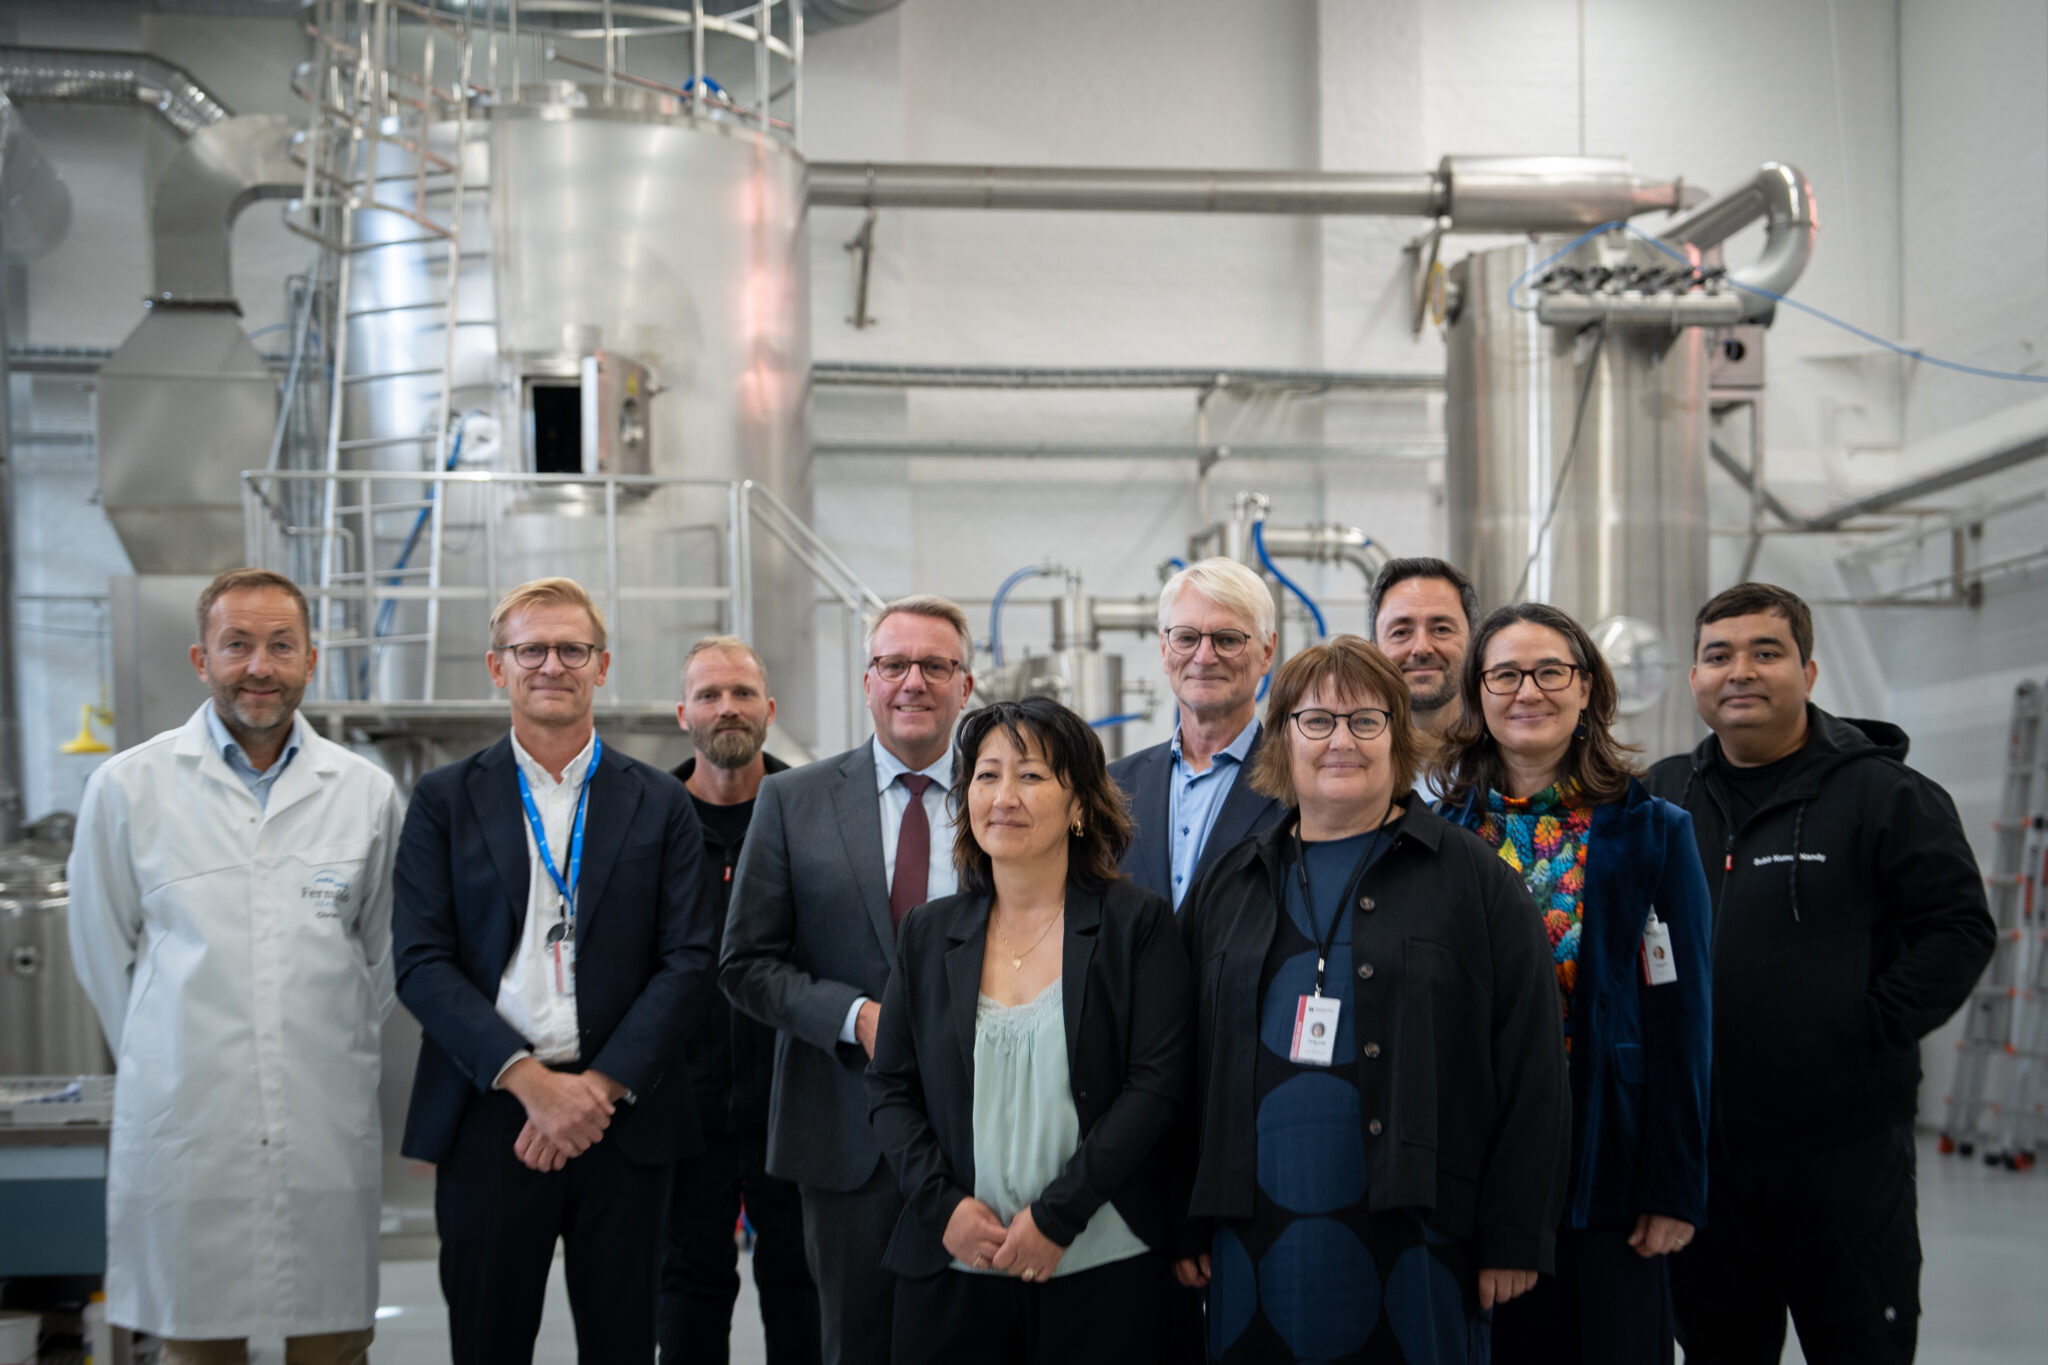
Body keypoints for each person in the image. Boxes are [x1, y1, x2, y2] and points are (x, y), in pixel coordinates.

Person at [1176, 634, 1569, 1364]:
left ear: (1397, 736)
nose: (1341, 741)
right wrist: (1185, 1216)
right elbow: (1181, 1064)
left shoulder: (1474, 878)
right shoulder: (1229, 882)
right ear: (1282, 738)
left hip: (1422, 1225)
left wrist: (1517, 1233)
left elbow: (1532, 1064)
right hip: (1248, 1226)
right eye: (1316, 721)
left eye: (1366, 720)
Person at [1644, 582, 1995, 1365]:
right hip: (1705, 1155)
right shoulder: (1662, 796)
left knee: (1860, 1344)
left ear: (1807, 671)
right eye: (1718, 655)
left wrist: (1865, 1027)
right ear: (1695, 677)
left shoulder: (1886, 794)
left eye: (1765, 651)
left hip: (1844, 1152)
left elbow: (1957, 928)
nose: (1740, 670)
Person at [67, 567, 404, 1365]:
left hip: (320, 1118)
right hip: (191, 1125)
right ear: (201, 658)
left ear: (310, 659)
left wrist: (315, 1040)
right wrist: (171, 1049)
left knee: (332, 1345)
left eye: (281, 645)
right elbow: (102, 954)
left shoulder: (365, 793)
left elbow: (384, 959)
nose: (260, 666)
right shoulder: (128, 787)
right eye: (238, 644)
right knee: (196, 1346)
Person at [393, 577, 716, 1365]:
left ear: (601, 665)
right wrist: (533, 1084)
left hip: (623, 1119)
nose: (551, 665)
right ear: (496, 666)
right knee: (488, 1342)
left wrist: (594, 1089)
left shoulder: (660, 802)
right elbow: (421, 962)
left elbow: (689, 959)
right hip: (492, 1111)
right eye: (530, 649)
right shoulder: (443, 800)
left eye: (572, 649)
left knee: (623, 1344)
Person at [867, 696, 1193, 1365]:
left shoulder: (1136, 924)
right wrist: (942, 1208)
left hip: (1103, 1264)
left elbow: (1156, 1087)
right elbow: (891, 1089)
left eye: (1032, 776)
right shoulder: (928, 933)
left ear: (1079, 805)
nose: (1004, 797)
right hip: (954, 1265)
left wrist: (1056, 1218)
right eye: (987, 776)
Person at [1436, 603, 1713, 1365]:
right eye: (1504, 674)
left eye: (1550, 671)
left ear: (1586, 687)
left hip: (1608, 1171)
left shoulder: (1654, 831)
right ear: (1478, 692)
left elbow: (1683, 1018)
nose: (1528, 690)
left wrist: (1675, 1186)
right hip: (1470, 1173)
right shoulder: (1437, 834)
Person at [722, 595, 978, 1365]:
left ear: (966, 684)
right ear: (867, 680)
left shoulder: (1004, 796)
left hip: (985, 1131)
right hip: (844, 1132)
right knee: (855, 1345)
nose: (913, 681)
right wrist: (855, 1015)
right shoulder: (792, 800)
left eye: (935, 665)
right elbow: (745, 963)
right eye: (894, 663)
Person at [661, 636, 819, 1365]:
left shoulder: (813, 813)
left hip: (796, 1108)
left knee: (802, 1296)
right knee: (687, 1298)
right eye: (709, 695)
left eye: (743, 693)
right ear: (683, 714)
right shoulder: (650, 820)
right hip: (684, 1113)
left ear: (769, 709)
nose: (727, 707)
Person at [1109, 557, 1285, 911]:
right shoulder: (1113, 787)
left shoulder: (1298, 786)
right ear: (1164, 649)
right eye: (1186, 638)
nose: (1204, 657)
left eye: (1228, 639)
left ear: (1267, 652)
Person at [1368, 557, 1479, 796]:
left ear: (1474, 643)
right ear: (1372, 650)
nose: (1421, 648)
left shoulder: (1512, 763)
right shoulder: (1350, 765)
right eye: (1401, 632)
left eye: (1441, 629)